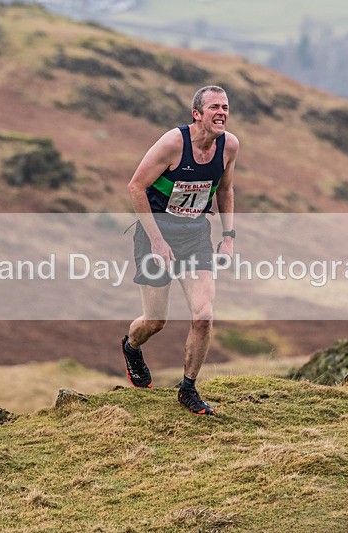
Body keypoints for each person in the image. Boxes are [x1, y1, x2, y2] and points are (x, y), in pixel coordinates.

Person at [121, 85, 239, 416]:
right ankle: (131, 347)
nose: (221, 112)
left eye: (225, 107)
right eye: (214, 107)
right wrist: (157, 240)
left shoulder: (229, 146)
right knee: (155, 320)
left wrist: (228, 237)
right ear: (197, 114)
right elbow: (136, 187)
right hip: (155, 234)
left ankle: (188, 389)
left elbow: (226, 189)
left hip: (195, 236)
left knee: (203, 316)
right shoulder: (174, 143)